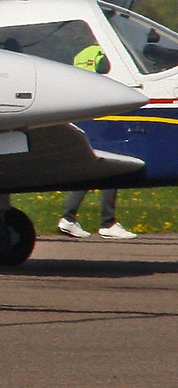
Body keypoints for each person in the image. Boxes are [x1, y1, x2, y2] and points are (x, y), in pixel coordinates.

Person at [58, 43, 137, 240]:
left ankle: (68, 218)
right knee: (113, 167)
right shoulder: (105, 53)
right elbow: (106, 71)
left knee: (89, 170)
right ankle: (107, 223)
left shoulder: (83, 52)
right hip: (100, 115)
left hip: (85, 113)